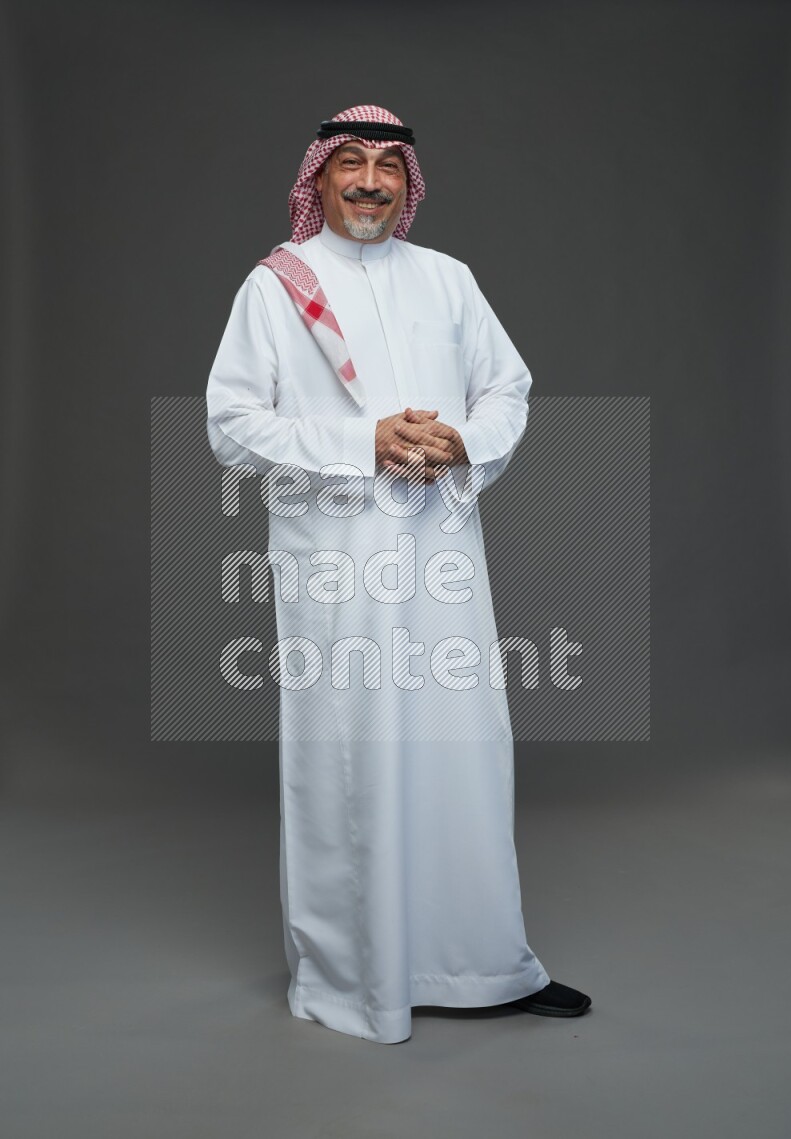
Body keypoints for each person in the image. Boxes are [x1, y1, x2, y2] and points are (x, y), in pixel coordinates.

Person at [206, 105, 591, 1043]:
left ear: (408, 183)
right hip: (336, 564)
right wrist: (363, 441)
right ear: (319, 177)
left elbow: (508, 388)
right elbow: (232, 427)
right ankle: (358, 979)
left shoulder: (448, 279)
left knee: (464, 751)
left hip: (441, 554)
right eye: (350, 162)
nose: (370, 181)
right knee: (355, 757)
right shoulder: (276, 287)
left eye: (387, 165)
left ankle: (486, 964)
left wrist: (462, 441)